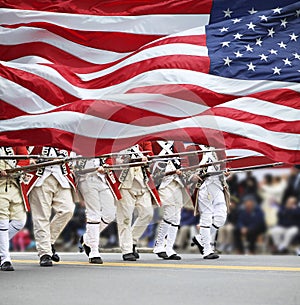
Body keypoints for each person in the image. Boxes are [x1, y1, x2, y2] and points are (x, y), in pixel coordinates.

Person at [27, 146, 76, 267]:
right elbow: (24, 148)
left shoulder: (63, 134)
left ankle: (48, 242)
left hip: (62, 177)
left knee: (67, 210)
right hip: (40, 177)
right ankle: (45, 253)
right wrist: (29, 158)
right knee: (41, 217)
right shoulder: (36, 131)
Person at [115, 142, 160, 261]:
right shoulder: (117, 137)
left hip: (141, 181)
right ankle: (127, 249)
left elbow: (149, 153)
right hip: (124, 183)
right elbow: (114, 158)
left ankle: (132, 240)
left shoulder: (142, 138)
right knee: (125, 218)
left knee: (148, 213)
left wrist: (147, 158)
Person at [188, 144, 230, 259]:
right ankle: (207, 250)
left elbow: (225, 166)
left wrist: (226, 172)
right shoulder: (193, 149)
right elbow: (186, 168)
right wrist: (192, 176)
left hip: (218, 185)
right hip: (204, 186)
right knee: (206, 218)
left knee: (221, 217)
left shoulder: (219, 149)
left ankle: (200, 238)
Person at [76, 156, 120, 264]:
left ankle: (87, 238)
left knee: (110, 214)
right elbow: (75, 165)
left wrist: (106, 166)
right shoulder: (79, 142)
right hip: (86, 179)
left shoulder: (101, 142)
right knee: (93, 214)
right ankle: (94, 251)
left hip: (101, 179)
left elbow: (108, 157)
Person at [151, 140, 188, 260]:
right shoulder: (154, 142)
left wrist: (183, 170)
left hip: (176, 182)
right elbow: (150, 163)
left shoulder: (178, 143)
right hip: (162, 183)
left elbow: (185, 161)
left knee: (177, 216)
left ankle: (169, 247)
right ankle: (159, 244)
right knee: (169, 213)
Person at [0, 146, 30, 271]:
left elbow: (24, 158)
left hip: (14, 185)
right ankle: (4, 258)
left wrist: (16, 169)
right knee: (3, 222)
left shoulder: (14, 140)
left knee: (19, 221)